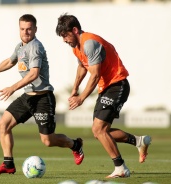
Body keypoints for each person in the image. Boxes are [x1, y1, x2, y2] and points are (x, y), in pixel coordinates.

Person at [0, 14, 84, 175]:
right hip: (27, 97)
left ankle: (75, 145)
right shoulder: (20, 47)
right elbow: (10, 61)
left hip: (42, 98)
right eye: (23, 29)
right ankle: (8, 164)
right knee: (3, 125)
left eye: (29, 29)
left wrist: (12, 88)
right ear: (19, 29)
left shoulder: (35, 47)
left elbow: (34, 74)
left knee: (48, 140)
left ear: (35, 29)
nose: (26, 32)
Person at [55, 13, 151, 178]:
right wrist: (75, 89)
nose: (64, 40)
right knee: (99, 131)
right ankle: (139, 141)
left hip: (117, 84)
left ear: (75, 30)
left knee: (99, 130)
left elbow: (95, 75)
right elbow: (83, 67)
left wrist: (81, 98)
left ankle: (120, 168)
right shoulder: (76, 47)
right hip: (107, 87)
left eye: (65, 35)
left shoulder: (90, 43)